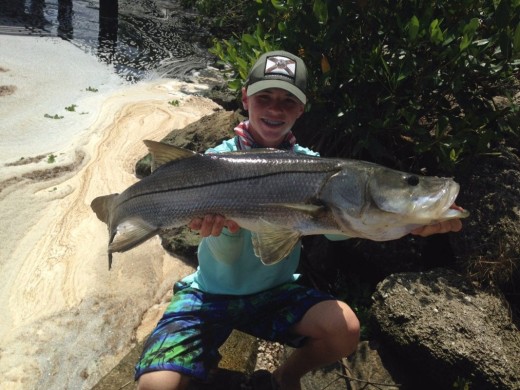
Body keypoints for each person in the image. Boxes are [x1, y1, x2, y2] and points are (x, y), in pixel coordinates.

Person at [134, 50, 463, 390]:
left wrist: (410, 223)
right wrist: (219, 230)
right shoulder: (215, 160)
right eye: (265, 97)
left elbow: (342, 227)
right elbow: (229, 254)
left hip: (274, 294)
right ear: (245, 98)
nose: (275, 109)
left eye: (288, 101)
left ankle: (283, 377)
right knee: (155, 386)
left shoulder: (314, 166)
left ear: (301, 109)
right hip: (209, 294)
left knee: (346, 328)